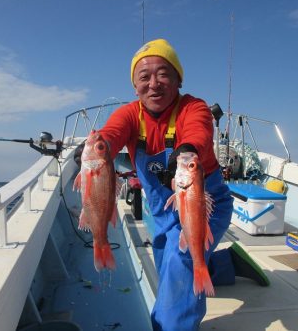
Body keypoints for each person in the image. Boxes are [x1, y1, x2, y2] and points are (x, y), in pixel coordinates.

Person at [75, 39, 269, 331]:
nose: (154, 84)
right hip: (163, 214)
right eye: (144, 77)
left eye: (163, 73)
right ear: (135, 86)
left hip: (206, 205)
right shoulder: (130, 115)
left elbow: (199, 131)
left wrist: (188, 148)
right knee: (169, 266)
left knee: (180, 264)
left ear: (179, 79)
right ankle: (227, 264)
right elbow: (111, 134)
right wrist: (95, 150)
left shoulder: (193, 107)